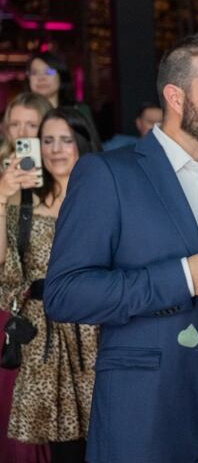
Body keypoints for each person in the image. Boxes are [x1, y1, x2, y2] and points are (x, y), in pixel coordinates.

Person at [44, 33, 198, 463]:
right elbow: (65, 293)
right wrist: (184, 277)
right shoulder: (108, 175)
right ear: (175, 97)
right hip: (145, 419)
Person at [1, 107, 101, 462]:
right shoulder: (22, 200)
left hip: (98, 331)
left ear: (82, 143)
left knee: (109, 434)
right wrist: (0, 196)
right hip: (44, 336)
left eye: (66, 140)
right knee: (63, 448)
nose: (57, 149)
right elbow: (4, 266)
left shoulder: (105, 196)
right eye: (48, 141)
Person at [0, 93, 52, 462]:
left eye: (30, 125)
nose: (21, 132)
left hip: (59, 318)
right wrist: (3, 195)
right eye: (15, 124)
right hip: (12, 317)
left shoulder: (68, 176)